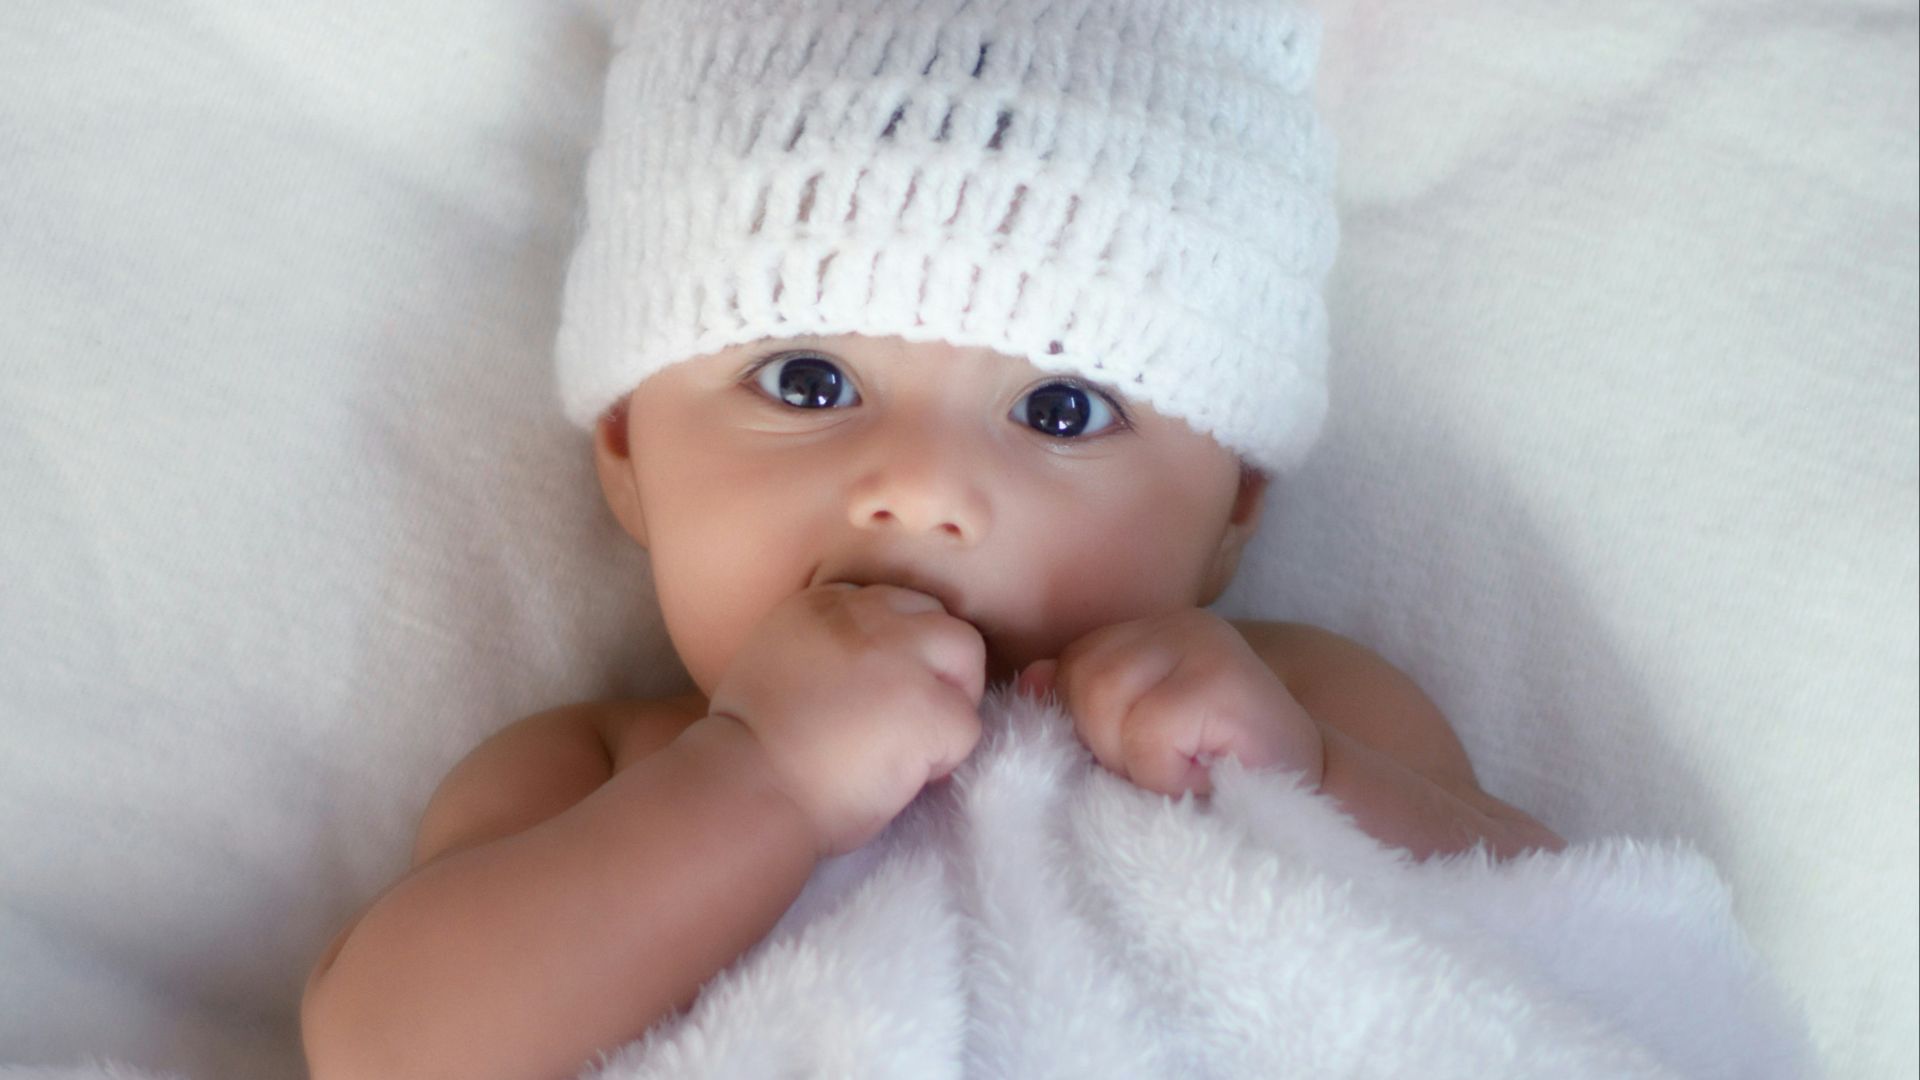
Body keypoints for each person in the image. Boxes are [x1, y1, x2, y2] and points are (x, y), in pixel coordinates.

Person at [300, 2, 1564, 1076]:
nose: (920, 488)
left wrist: (1303, 782)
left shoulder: (1303, 707)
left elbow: (1568, 958)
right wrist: (761, 782)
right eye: (806, 381)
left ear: (1232, 511)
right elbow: (383, 1046)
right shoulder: (606, 771)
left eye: (1062, 410)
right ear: (629, 448)